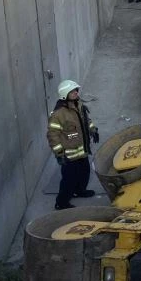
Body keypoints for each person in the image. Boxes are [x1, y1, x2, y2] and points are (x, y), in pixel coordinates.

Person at [46, 80, 98, 210]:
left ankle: (80, 191)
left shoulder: (78, 105)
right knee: (69, 179)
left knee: (85, 173)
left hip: (82, 150)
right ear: (65, 94)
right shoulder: (58, 114)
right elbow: (53, 135)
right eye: (73, 91)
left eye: (76, 90)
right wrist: (59, 154)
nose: (76, 93)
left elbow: (86, 120)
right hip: (69, 155)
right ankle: (61, 202)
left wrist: (93, 130)